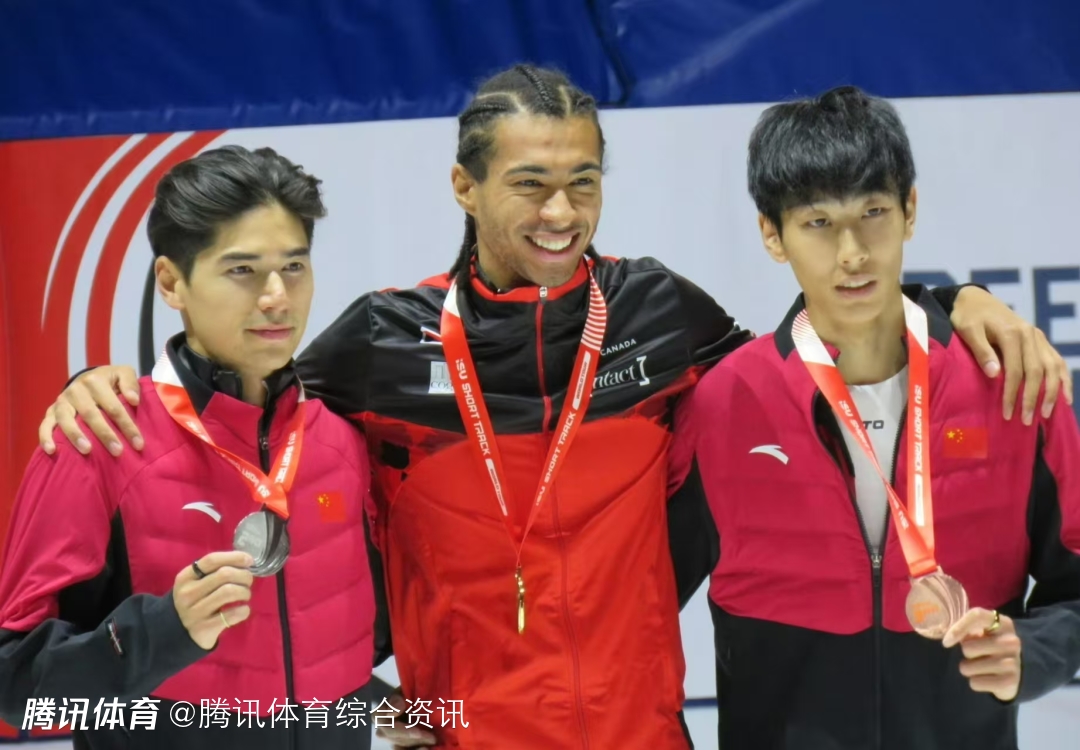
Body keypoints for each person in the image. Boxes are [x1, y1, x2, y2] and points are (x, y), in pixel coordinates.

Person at [33, 67, 1073, 749]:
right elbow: (245, 408)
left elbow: (825, 337)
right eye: (530, 184)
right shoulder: (382, 342)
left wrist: (954, 301)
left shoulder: (658, 312)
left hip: (641, 733)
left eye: (584, 181)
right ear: (463, 186)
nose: (561, 212)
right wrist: (107, 383)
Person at [668, 85, 1080, 750]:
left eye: (873, 212)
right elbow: (639, 610)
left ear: (910, 210)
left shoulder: (1012, 383)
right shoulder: (724, 405)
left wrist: (1034, 652)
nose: (853, 253)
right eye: (818, 223)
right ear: (772, 235)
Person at [0, 146, 379, 749]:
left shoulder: (343, 440)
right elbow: (17, 684)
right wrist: (163, 631)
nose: (277, 297)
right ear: (172, 282)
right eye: (242, 270)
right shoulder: (99, 440)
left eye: (294, 266)